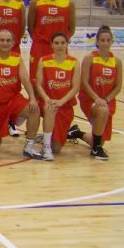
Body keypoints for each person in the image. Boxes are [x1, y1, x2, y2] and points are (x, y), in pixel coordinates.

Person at [0, 29, 40, 157]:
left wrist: (32, 97)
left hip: (13, 100)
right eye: (2, 40)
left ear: (13, 43)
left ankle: (29, 146)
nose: (5, 43)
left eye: (8, 40)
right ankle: (8, 122)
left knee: (34, 110)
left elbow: (25, 79)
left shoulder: (17, 58)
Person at [69, 26, 122, 160]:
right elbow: (84, 82)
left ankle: (77, 133)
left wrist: (106, 99)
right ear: (97, 41)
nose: (105, 43)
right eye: (102, 40)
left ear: (112, 41)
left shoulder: (117, 61)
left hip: (107, 100)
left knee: (99, 139)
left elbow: (118, 86)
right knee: (102, 111)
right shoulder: (90, 58)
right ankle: (96, 150)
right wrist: (97, 98)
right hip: (90, 98)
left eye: (108, 40)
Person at [35, 32, 81, 161]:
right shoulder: (44, 60)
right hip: (47, 102)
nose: (59, 46)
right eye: (56, 43)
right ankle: (46, 146)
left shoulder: (74, 62)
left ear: (67, 44)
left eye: (62, 43)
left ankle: (69, 133)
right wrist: (47, 99)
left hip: (65, 105)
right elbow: (38, 84)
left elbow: (76, 87)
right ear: (51, 45)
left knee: (57, 149)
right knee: (50, 108)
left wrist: (61, 101)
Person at [28, 0, 76, 79]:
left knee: (57, 80)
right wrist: (39, 39)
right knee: (36, 79)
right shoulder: (35, 2)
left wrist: (59, 42)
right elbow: (31, 27)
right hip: (40, 46)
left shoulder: (68, 3)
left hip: (59, 47)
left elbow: (71, 29)